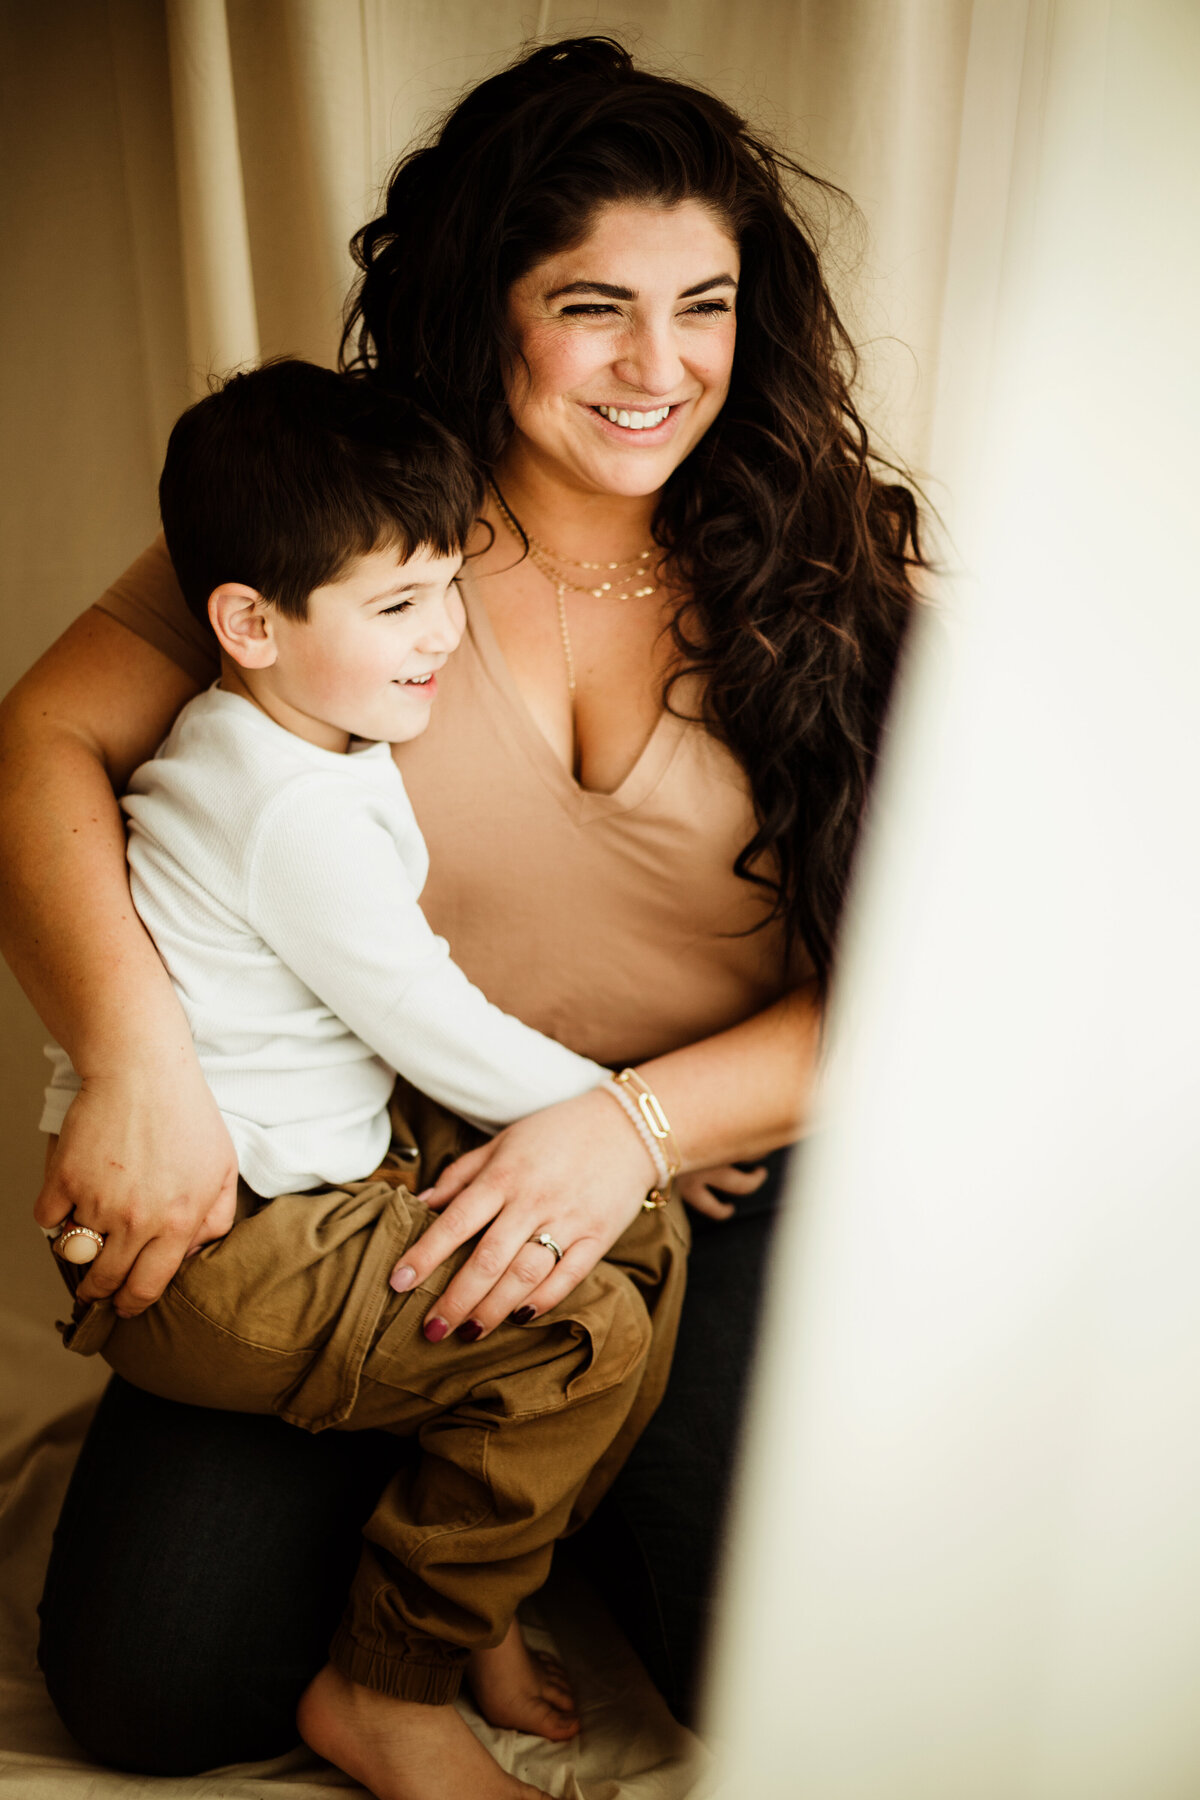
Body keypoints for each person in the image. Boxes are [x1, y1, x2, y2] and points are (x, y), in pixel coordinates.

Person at [0, 34, 923, 1794]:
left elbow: (929, 985)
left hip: (704, 1173)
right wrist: (134, 1058)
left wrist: (627, 1128)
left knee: (779, 1652)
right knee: (154, 1696)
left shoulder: (832, 570)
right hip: (373, 1172)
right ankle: (455, 1468)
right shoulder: (353, 528)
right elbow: (39, 739)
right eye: (595, 305)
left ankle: (523, 1504)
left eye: (706, 303)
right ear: (485, 306)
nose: (662, 368)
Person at [43, 355, 702, 1800]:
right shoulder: (293, 810)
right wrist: (627, 1121)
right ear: (248, 623)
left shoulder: (272, 745)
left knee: (611, 1245)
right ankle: (394, 1680)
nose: (444, 638)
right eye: (397, 608)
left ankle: (472, 1597)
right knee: (581, 1334)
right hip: (237, 1248)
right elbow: (429, 1019)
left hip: (293, 1198)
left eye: (448, 590)